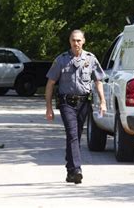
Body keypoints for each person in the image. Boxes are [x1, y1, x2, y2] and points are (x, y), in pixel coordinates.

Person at [45, 29, 107, 184]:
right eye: (73, 40)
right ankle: (77, 169)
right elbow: (50, 83)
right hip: (67, 103)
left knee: (76, 136)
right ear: (69, 41)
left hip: (84, 103)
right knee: (72, 134)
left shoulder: (91, 59)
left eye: (79, 40)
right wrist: (49, 107)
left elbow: (98, 81)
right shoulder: (61, 60)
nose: (76, 43)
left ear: (84, 41)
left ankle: (70, 170)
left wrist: (103, 101)